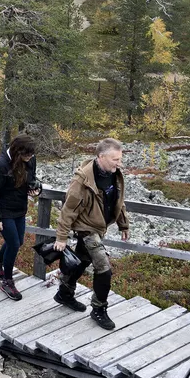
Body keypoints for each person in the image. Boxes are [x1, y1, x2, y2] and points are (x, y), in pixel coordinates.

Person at [54, 137, 130, 330]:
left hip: (100, 226)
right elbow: (68, 210)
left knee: (81, 261)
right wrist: (61, 237)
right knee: (104, 268)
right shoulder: (82, 180)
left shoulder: (115, 174)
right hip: (86, 228)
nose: (119, 163)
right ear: (101, 157)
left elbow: (118, 201)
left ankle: (64, 291)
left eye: (120, 159)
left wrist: (124, 225)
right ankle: (99, 309)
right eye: (115, 159)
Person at [0, 134, 39, 301]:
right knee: (14, 243)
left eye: (31, 155)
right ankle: (7, 281)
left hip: (19, 208)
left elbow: (32, 178)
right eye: (26, 155)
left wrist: (35, 187)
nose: (29, 158)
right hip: (4, 210)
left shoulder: (30, 159)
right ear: (17, 152)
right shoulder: (0, 166)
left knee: (18, 242)